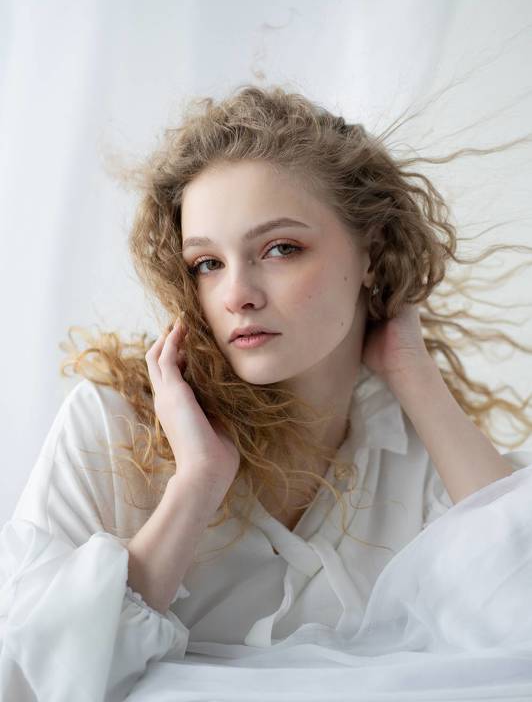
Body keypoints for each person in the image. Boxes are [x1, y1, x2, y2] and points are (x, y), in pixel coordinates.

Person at [2, 84, 532, 701]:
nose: (236, 295)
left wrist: (413, 371)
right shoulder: (112, 427)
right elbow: (28, 678)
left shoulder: (415, 444)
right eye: (208, 263)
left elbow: (519, 617)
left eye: (281, 249)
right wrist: (197, 483)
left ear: (372, 251)